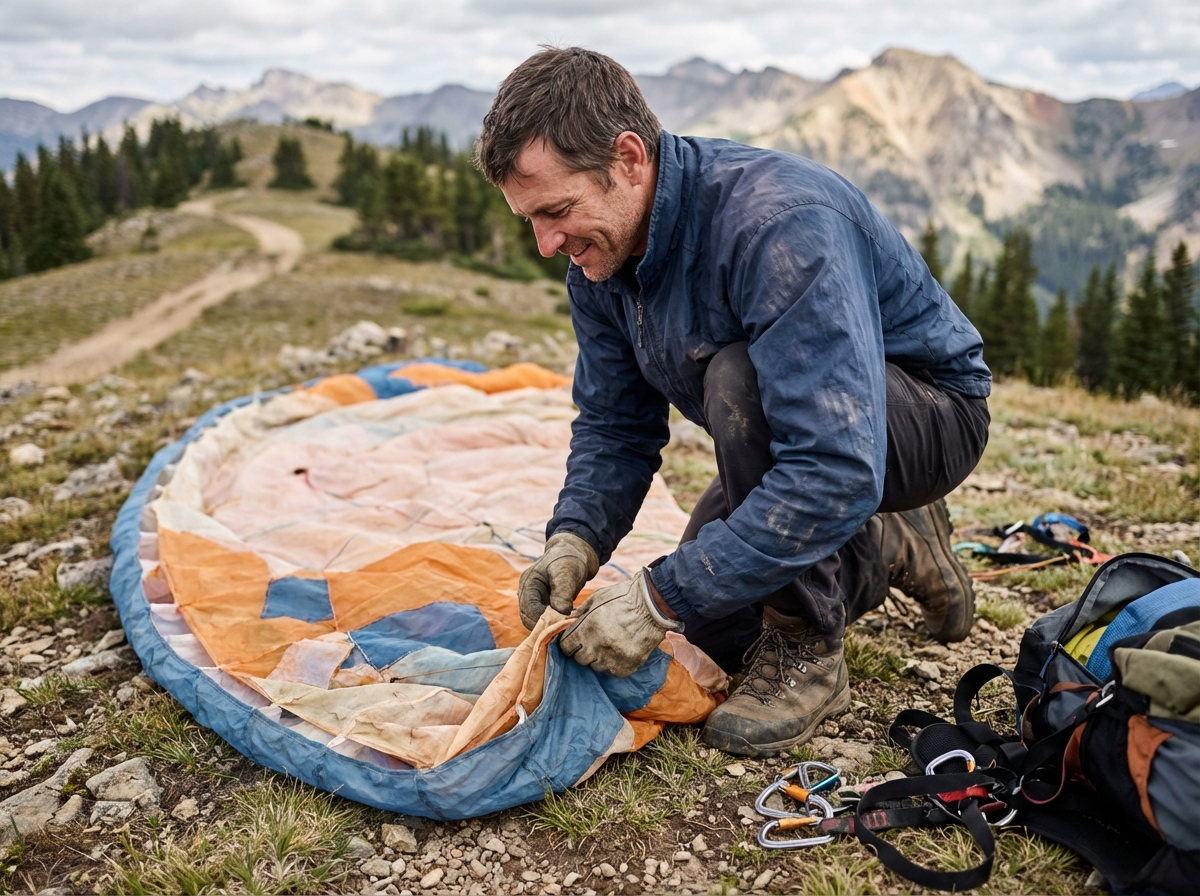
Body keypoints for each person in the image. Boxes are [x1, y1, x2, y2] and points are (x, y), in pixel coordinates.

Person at [475, 47, 991, 757]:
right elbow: (616, 426)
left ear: (629, 159)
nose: (545, 243)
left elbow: (833, 466)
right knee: (714, 630)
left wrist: (656, 598)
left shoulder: (776, 224)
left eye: (558, 210)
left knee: (737, 381)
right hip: (812, 437)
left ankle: (808, 652)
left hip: (923, 416)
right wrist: (577, 540)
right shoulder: (598, 262)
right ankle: (884, 537)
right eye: (529, 218)